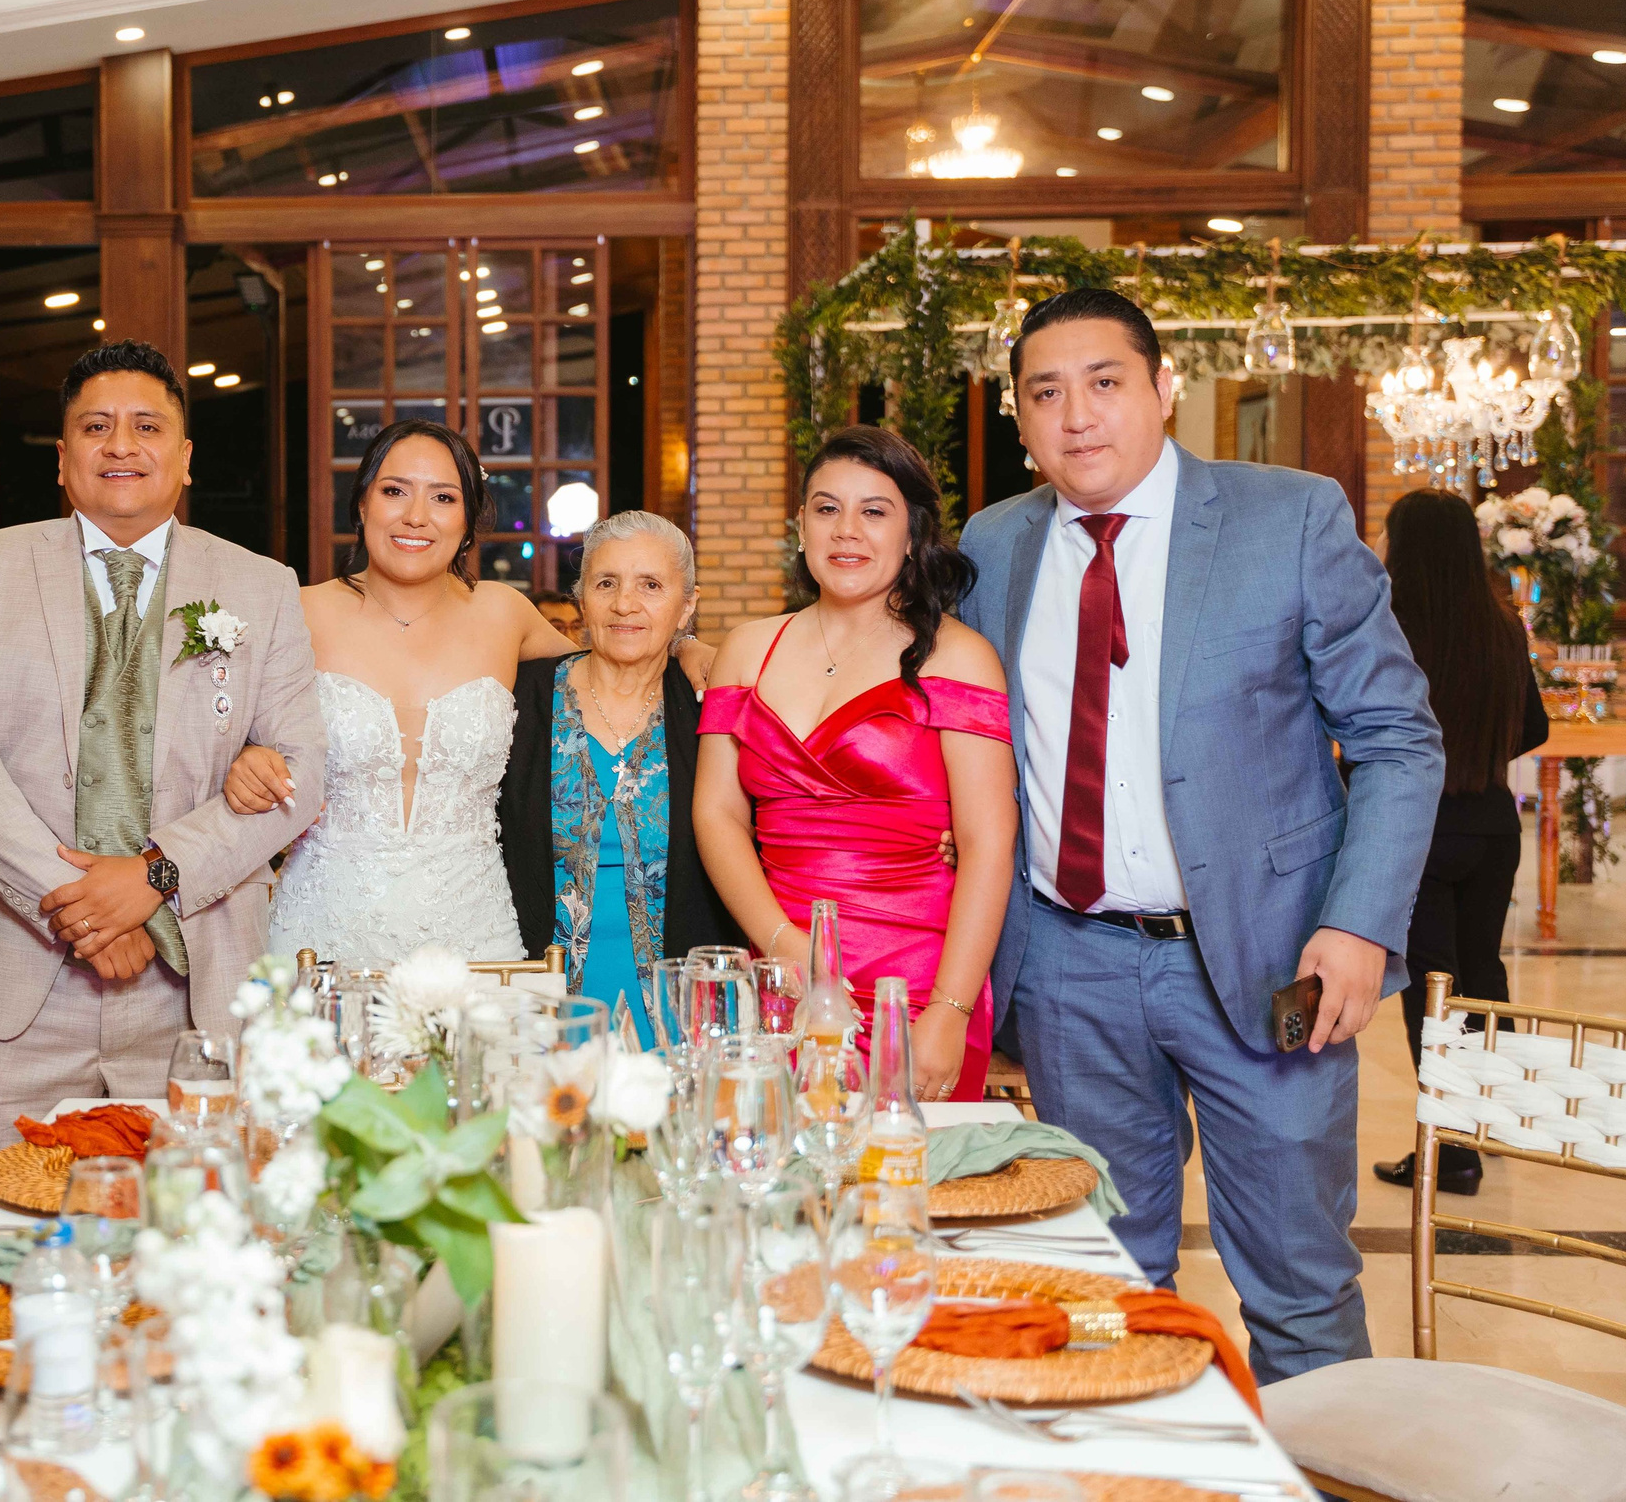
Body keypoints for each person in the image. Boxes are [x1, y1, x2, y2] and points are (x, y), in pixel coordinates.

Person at [957, 287, 1442, 1382]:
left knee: (1297, 1284)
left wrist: (1358, 926)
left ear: (1164, 390)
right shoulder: (995, 545)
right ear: (1019, 421)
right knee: (1107, 1284)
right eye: (1045, 393)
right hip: (1069, 968)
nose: (1076, 415)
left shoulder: (1290, 517)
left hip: (1267, 959)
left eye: (1105, 382)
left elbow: (1397, 741)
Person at [0, 340, 327, 1179]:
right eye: (95, 427)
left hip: (194, 988)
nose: (121, 445)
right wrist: (79, 905)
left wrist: (154, 878)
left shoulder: (260, 584)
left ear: (183, 458)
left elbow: (300, 773)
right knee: (4, 1245)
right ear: (63, 461)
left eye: (147, 426)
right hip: (23, 981)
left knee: (188, 1249)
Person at [692, 427, 1017, 1098]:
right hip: (779, 977)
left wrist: (949, 1011)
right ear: (801, 526)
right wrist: (780, 942)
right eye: (826, 507)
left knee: (910, 1189)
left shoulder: (958, 658)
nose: (847, 531)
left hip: (918, 986)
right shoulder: (747, 649)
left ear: (911, 533)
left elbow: (988, 844)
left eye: (874, 511)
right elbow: (717, 812)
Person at [242, 421, 573, 967]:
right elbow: (214, 731)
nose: (416, 516)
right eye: (394, 491)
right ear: (363, 504)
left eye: (443, 497)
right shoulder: (299, 612)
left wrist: (687, 650)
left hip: (473, 933)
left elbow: (611, 672)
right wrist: (247, 758)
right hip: (321, 930)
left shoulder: (504, 612)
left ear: (467, 522)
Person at [497, 512, 740, 1043]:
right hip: (536, 1012)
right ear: (582, 598)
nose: (625, 604)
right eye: (606, 583)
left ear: (688, 605)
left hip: (686, 1016)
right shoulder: (522, 698)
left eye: (651, 586)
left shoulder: (708, 709)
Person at [1371, 488, 1547, 1197]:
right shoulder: (1502, 625)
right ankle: (1488, 1117)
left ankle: (1452, 1151)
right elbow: (1533, 727)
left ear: (1408, 548)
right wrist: (1483, 746)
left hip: (1423, 830)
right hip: (1493, 827)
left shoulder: (1395, 626)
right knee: (1484, 973)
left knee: (1432, 990)